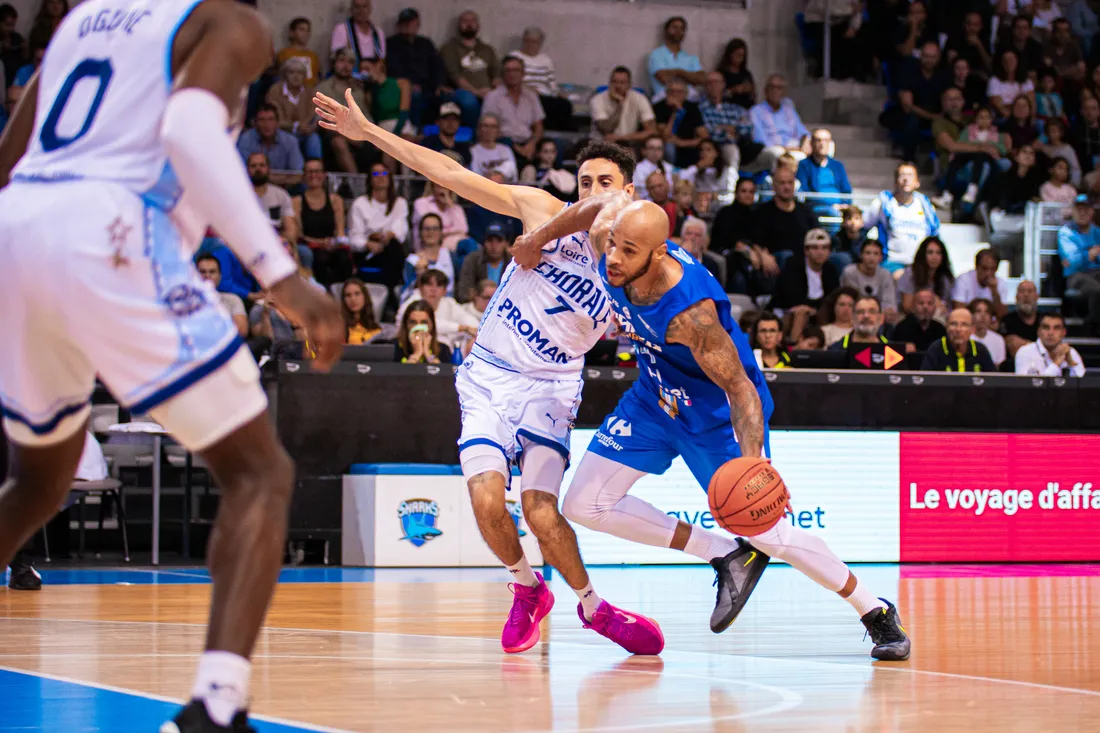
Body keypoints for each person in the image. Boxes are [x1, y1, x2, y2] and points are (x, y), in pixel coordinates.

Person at [0, 2, 344, 732]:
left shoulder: (84, 17)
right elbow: (189, 130)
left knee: (39, 478)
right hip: (114, 228)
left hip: (18, 226)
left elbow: (11, 154)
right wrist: (282, 277)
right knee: (259, 473)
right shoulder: (229, 21)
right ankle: (217, 708)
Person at [314, 90, 664, 654]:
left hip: (552, 388)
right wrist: (371, 133)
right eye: (586, 182)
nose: (594, 193)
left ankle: (593, 607)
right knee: (483, 500)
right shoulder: (540, 210)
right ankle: (528, 589)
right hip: (489, 377)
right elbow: (451, 174)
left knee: (541, 511)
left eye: (606, 183)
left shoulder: (637, 267)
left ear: (630, 193)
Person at [510, 197, 911, 661]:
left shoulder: (690, 315)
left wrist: (755, 466)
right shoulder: (612, 244)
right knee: (583, 503)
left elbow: (742, 390)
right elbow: (595, 207)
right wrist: (537, 239)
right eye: (614, 246)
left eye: (629, 251)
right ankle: (724, 554)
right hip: (654, 398)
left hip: (713, 414)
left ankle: (875, 611)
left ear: (658, 254)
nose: (614, 260)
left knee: (769, 533)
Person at [865, 163, 941, 267]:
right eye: (902, 175)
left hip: (921, 263)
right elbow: (864, 226)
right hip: (892, 262)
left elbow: (935, 235)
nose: (906, 179)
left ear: (917, 182)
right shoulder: (883, 203)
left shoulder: (926, 206)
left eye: (910, 175)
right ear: (895, 182)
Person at [293, 158, 349, 287]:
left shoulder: (336, 200)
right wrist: (320, 243)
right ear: (304, 176)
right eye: (310, 172)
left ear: (324, 175)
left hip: (332, 244)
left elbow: (340, 231)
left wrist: (334, 242)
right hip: (310, 245)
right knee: (320, 258)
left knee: (343, 257)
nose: (314, 176)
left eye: (318, 171)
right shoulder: (296, 201)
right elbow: (299, 234)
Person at [590, 66, 657, 145]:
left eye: (622, 83)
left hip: (628, 143)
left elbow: (651, 131)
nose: (618, 86)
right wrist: (619, 106)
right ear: (609, 83)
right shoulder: (597, 99)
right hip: (602, 144)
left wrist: (622, 138)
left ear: (629, 85)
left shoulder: (639, 98)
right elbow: (606, 128)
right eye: (614, 82)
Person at [919, 307, 996, 371]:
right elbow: (926, 384)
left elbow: (993, 383)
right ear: (947, 327)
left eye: (964, 325)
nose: (958, 329)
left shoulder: (981, 351)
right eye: (953, 324)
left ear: (972, 329)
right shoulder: (935, 350)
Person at [648, 16, 705, 101]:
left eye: (682, 28)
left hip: (689, 100)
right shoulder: (656, 55)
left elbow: (702, 79)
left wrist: (678, 72)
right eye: (674, 27)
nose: (678, 31)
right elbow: (664, 78)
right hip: (664, 100)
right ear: (666, 31)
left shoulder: (691, 58)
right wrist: (688, 76)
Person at [1014, 312, 1086, 376]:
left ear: (1064, 332)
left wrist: (1071, 362)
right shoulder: (1025, 352)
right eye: (1046, 327)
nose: (1050, 333)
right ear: (1038, 331)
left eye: (1056, 328)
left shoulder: (1071, 352)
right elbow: (1026, 387)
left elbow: (1084, 385)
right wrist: (1056, 363)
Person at [841, 239, 899, 316]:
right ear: (861, 255)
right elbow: (851, 301)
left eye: (876, 254)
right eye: (868, 253)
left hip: (880, 316)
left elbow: (890, 304)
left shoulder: (886, 274)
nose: (871, 257)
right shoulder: (849, 272)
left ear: (881, 257)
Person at [952, 248, 1009, 318]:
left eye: (993, 269)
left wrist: (995, 292)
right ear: (976, 266)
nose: (988, 273)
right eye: (984, 268)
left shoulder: (1000, 283)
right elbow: (959, 311)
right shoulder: (964, 280)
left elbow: (1003, 315)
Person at [394, 299, 453, 364]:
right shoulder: (393, 347)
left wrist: (427, 354)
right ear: (406, 325)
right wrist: (417, 353)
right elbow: (400, 373)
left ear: (432, 325)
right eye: (413, 322)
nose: (418, 327)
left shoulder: (443, 349)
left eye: (424, 322)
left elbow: (442, 372)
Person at [276, 17, 320, 86]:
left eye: (308, 30)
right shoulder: (284, 54)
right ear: (292, 33)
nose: (306, 33)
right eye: (302, 30)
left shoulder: (313, 56)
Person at [341, 278, 381, 345]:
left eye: (357, 294)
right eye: (348, 295)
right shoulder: (340, 328)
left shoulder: (376, 329)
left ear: (365, 296)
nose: (353, 299)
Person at [969, 297, 1006, 367]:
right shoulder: (966, 338)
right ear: (971, 315)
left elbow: (999, 367)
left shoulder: (998, 339)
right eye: (978, 311)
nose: (983, 315)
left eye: (987, 312)